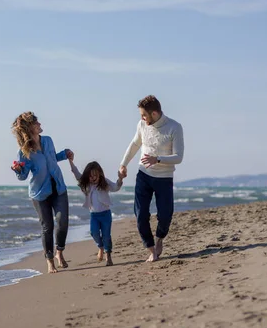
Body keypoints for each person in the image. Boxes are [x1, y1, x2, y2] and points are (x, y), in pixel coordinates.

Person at [118, 95, 184, 262]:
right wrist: (123, 164)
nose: (142, 118)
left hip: (164, 178)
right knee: (140, 214)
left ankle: (160, 238)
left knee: (165, 215)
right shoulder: (142, 125)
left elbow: (179, 157)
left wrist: (158, 159)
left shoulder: (174, 127)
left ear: (154, 114)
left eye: (144, 115)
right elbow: (134, 144)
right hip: (144, 175)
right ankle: (151, 249)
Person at [10, 111, 74, 273]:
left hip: (58, 187)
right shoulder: (25, 152)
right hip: (39, 194)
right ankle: (50, 261)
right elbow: (23, 176)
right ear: (29, 128)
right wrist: (18, 170)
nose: (39, 124)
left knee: (63, 222)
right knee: (48, 226)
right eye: (36, 123)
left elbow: (52, 158)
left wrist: (64, 154)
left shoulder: (48, 140)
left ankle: (59, 252)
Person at [69, 159, 123, 266]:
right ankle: (100, 247)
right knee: (94, 232)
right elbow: (76, 173)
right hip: (94, 215)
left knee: (106, 235)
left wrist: (120, 178)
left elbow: (116, 187)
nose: (93, 178)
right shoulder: (86, 185)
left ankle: (108, 256)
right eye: (90, 176)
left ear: (100, 174)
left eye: (95, 176)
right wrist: (71, 161)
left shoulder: (105, 182)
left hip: (106, 214)